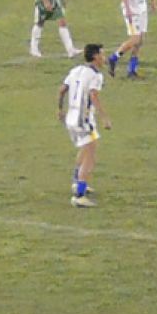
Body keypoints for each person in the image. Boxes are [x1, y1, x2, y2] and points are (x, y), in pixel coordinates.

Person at [59, 44, 110, 208]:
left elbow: (62, 89)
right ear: (95, 57)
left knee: (85, 147)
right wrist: (104, 117)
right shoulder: (95, 75)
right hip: (83, 120)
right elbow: (93, 95)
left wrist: (59, 109)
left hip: (71, 118)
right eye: (102, 55)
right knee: (90, 154)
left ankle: (77, 181)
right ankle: (79, 195)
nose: (104, 58)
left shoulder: (76, 70)